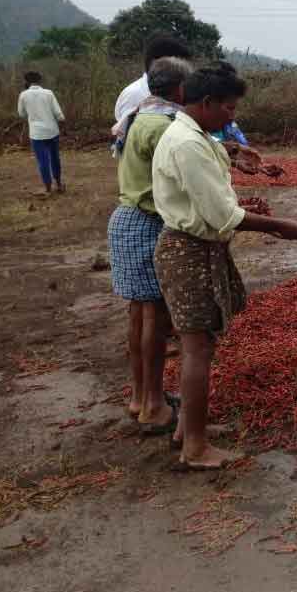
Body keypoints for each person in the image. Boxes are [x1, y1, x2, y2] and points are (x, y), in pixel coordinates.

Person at [152, 63, 297, 469]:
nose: (232, 116)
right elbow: (223, 215)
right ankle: (195, 449)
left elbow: (218, 173)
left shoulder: (195, 135)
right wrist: (279, 227)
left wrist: (237, 155)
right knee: (197, 348)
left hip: (198, 248)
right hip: (188, 251)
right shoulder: (187, 144)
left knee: (202, 342)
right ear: (206, 102)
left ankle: (188, 429)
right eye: (229, 108)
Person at [108, 57, 193, 433]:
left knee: (139, 313)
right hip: (147, 222)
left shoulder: (139, 115)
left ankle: (140, 397)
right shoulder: (163, 127)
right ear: (180, 89)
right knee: (156, 318)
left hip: (127, 219)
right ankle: (154, 406)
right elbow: (182, 177)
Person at [112, 33, 194, 154]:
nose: (184, 67)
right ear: (156, 63)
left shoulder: (170, 90)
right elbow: (129, 143)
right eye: (178, 62)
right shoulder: (135, 94)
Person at [17, 71, 66, 194]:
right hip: (52, 131)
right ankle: (59, 184)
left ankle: (48, 188)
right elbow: (58, 114)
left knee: (42, 161)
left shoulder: (23, 95)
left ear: (26, 81)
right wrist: (62, 121)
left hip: (36, 134)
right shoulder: (48, 93)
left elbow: (21, 114)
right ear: (39, 81)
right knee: (55, 158)